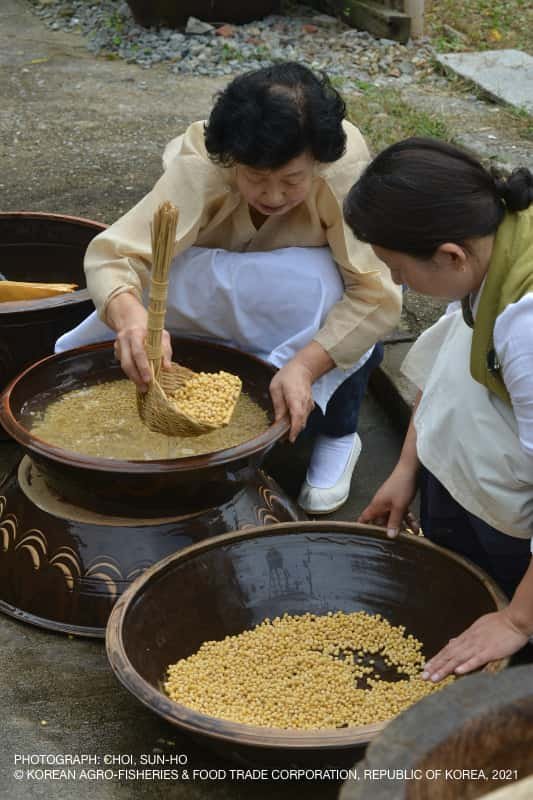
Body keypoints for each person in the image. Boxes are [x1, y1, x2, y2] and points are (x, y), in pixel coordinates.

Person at [55, 62, 401, 514]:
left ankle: (338, 433)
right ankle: (214, 365)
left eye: (292, 180)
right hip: (212, 271)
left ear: (317, 162)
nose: (274, 196)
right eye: (256, 178)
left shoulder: (343, 168)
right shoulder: (201, 165)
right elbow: (117, 254)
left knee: (335, 295)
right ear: (230, 159)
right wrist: (134, 321)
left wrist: (304, 367)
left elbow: (375, 292)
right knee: (160, 278)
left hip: (304, 281)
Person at [343, 136, 533, 680]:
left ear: (449, 254)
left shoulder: (525, 327)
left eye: (398, 270)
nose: (399, 283)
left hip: (512, 523)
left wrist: (517, 621)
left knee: (506, 665)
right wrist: (408, 467)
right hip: (463, 478)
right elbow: (450, 366)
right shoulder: (492, 245)